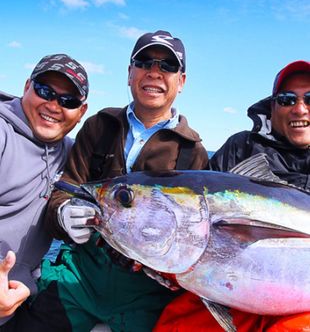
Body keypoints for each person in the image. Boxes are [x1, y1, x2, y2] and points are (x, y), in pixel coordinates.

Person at [19, 30, 209, 332]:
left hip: (145, 293)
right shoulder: (99, 125)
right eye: (144, 62)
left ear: (181, 81)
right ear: (130, 73)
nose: (154, 73)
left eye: (167, 66)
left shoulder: (192, 152)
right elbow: (63, 190)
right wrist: (63, 214)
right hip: (79, 276)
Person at [153, 60, 310, 331]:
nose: (299, 108)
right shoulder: (242, 147)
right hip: (226, 290)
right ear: (272, 107)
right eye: (286, 99)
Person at [0, 53, 88, 330]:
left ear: (81, 112)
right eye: (45, 91)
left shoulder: (71, 154)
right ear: (27, 87)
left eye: (68, 100)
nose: (53, 105)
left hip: (14, 308)